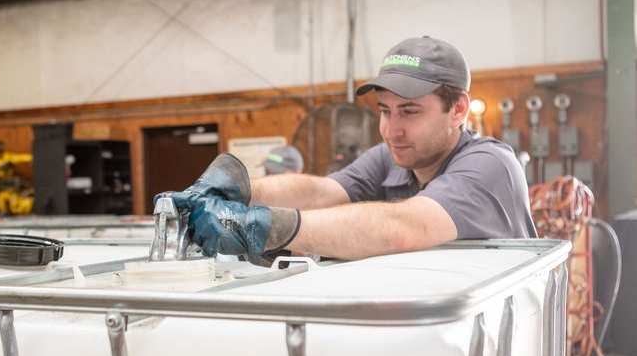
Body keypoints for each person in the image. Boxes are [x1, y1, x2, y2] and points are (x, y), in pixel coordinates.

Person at [164, 36, 536, 265]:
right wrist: (240, 189)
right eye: (385, 111)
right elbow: (321, 192)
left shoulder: (489, 165)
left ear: (457, 110)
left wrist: (261, 226)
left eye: (409, 112)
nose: (392, 130)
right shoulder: (390, 158)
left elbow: (403, 226)